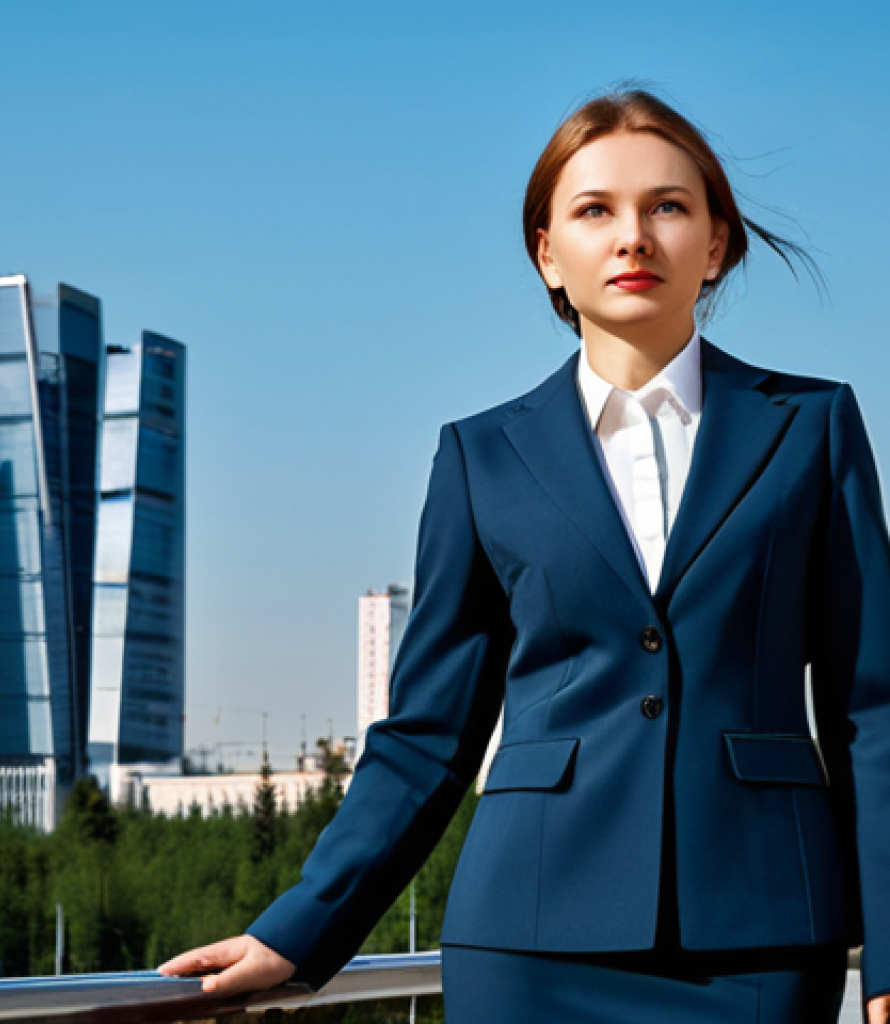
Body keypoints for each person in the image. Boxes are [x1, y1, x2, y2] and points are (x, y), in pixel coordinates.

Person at [158, 88, 890, 1024]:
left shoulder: (813, 428)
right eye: (595, 211)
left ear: (715, 244)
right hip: (528, 937)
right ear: (548, 252)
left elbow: (873, 712)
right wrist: (300, 930)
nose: (633, 237)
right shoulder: (481, 457)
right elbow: (428, 734)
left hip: (761, 930)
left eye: (668, 206)